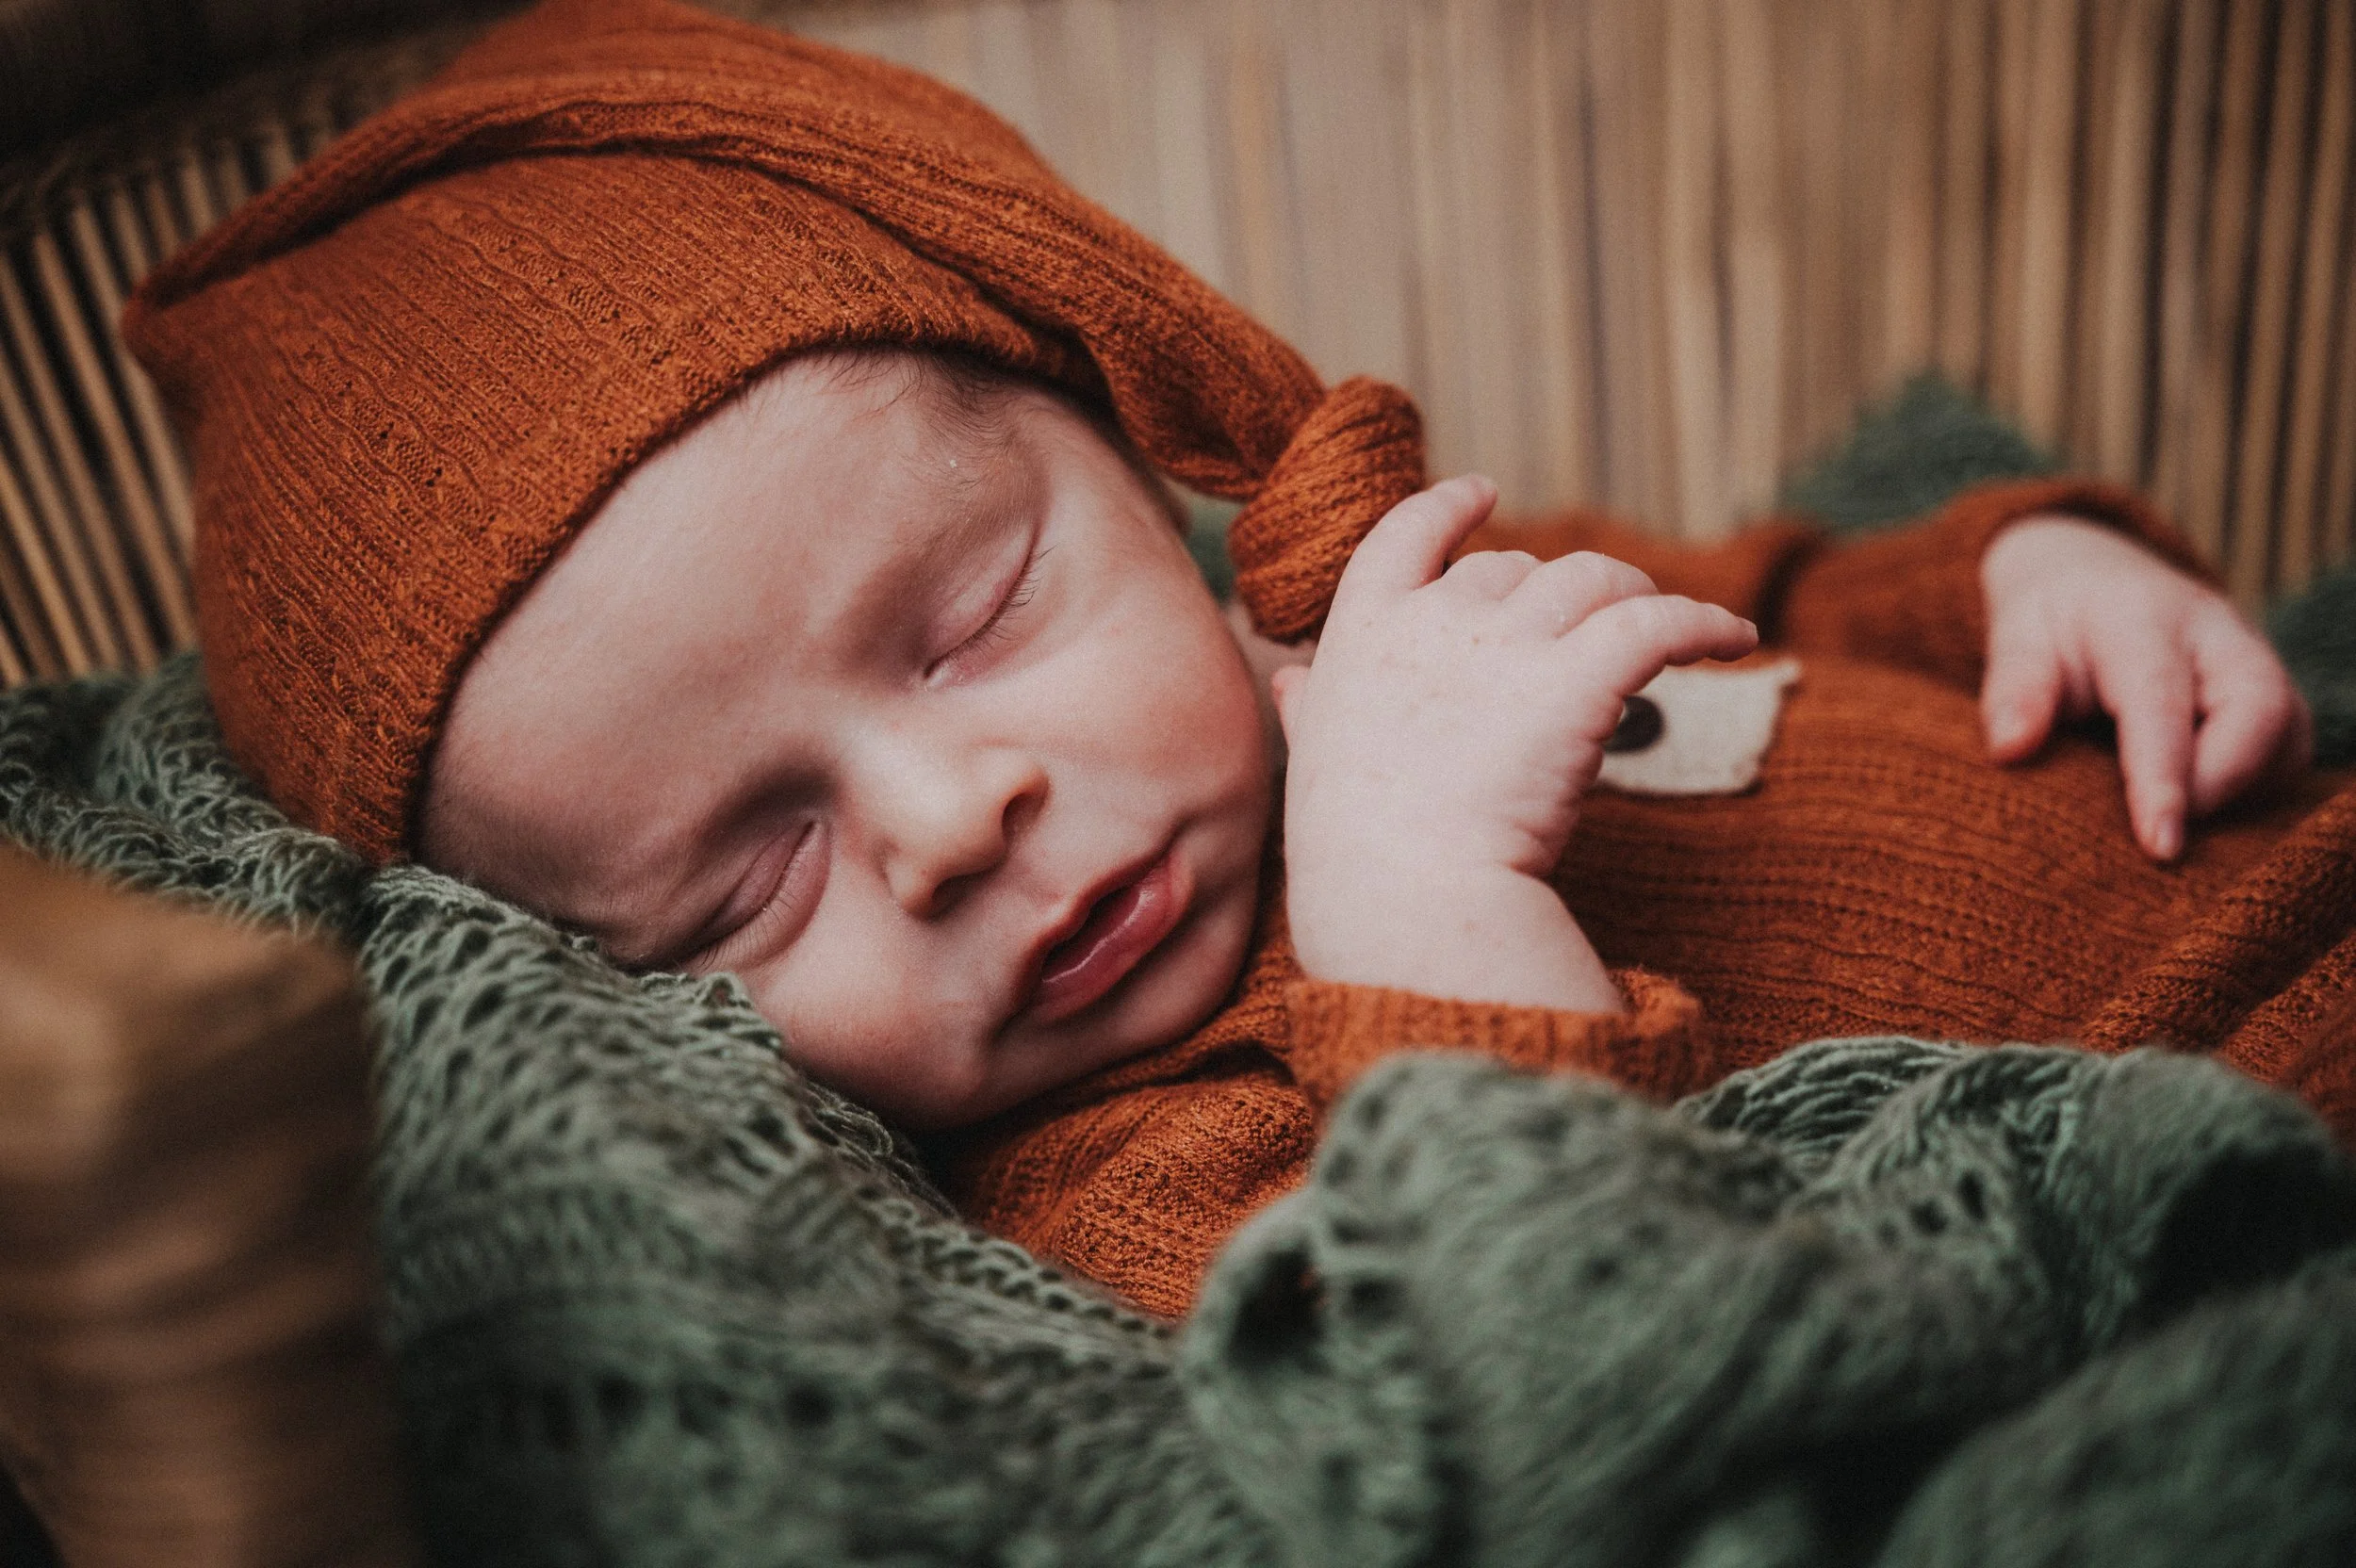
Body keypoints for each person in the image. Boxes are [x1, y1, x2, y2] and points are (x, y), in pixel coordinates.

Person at [123, 0, 2354, 1319]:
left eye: (970, 618)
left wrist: (2029, 571)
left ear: (1130, 455)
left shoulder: (1383, 605)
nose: (939, 824)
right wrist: (1417, 914)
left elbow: (1776, 579)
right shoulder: (1133, 1183)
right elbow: (1562, 1343)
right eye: (738, 882)